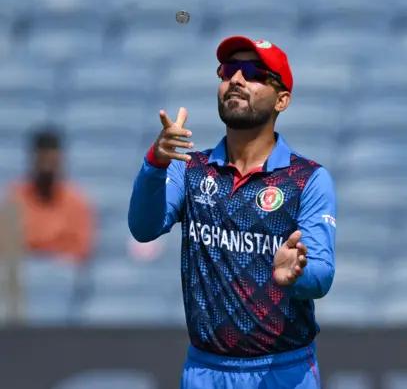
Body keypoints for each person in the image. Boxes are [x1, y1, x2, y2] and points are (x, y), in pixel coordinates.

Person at [128, 36, 337, 389]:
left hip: (282, 372)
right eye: (228, 71)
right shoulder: (189, 169)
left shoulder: (307, 179)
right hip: (205, 372)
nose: (236, 80)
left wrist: (296, 274)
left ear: (282, 99)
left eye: (253, 72)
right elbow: (143, 228)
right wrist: (155, 164)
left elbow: (322, 274)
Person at [3, 128, 94, 263]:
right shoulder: (15, 197)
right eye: (42, 159)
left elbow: (81, 250)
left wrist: (35, 243)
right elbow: (6, 245)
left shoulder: (76, 200)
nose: (47, 166)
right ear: (33, 159)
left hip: (63, 277)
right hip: (22, 275)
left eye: (52, 160)